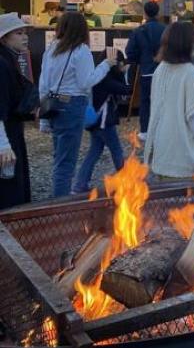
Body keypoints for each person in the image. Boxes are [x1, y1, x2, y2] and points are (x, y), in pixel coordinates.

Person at [39, 12, 115, 196]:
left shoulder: (51, 49)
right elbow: (86, 82)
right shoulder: (81, 51)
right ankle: (61, 204)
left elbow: (43, 83)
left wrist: (43, 118)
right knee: (66, 162)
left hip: (53, 105)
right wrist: (106, 65)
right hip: (72, 106)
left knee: (59, 157)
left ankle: (57, 197)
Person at [144, 22, 194, 179]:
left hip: (160, 150)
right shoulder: (190, 74)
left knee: (164, 201)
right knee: (183, 201)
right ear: (187, 43)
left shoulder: (159, 70)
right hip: (182, 155)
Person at [73, 51, 130, 194]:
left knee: (94, 152)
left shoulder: (98, 75)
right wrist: (124, 73)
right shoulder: (106, 79)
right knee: (116, 150)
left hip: (95, 121)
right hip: (104, 121)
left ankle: (80, 185)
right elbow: (126, 90)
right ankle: (127, 183)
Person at [0, 14, 34, 208]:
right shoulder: (2, 63)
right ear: (4, 38)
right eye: (19, 33)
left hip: (12, 130)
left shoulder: (8, 59)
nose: (25, 37)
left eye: (25, 33)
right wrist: (3, 144)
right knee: (9, 188)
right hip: (6, 134)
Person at [125, 1, 166, 140]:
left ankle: (145, 130)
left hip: (146, 71)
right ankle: (162, 129)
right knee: (163, 101)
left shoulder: (138, 31)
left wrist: (140, 60)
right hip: (164, 71)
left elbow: (129, 52)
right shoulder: (166, 29)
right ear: (158, 13)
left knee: (145, 101)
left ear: (145, 13)